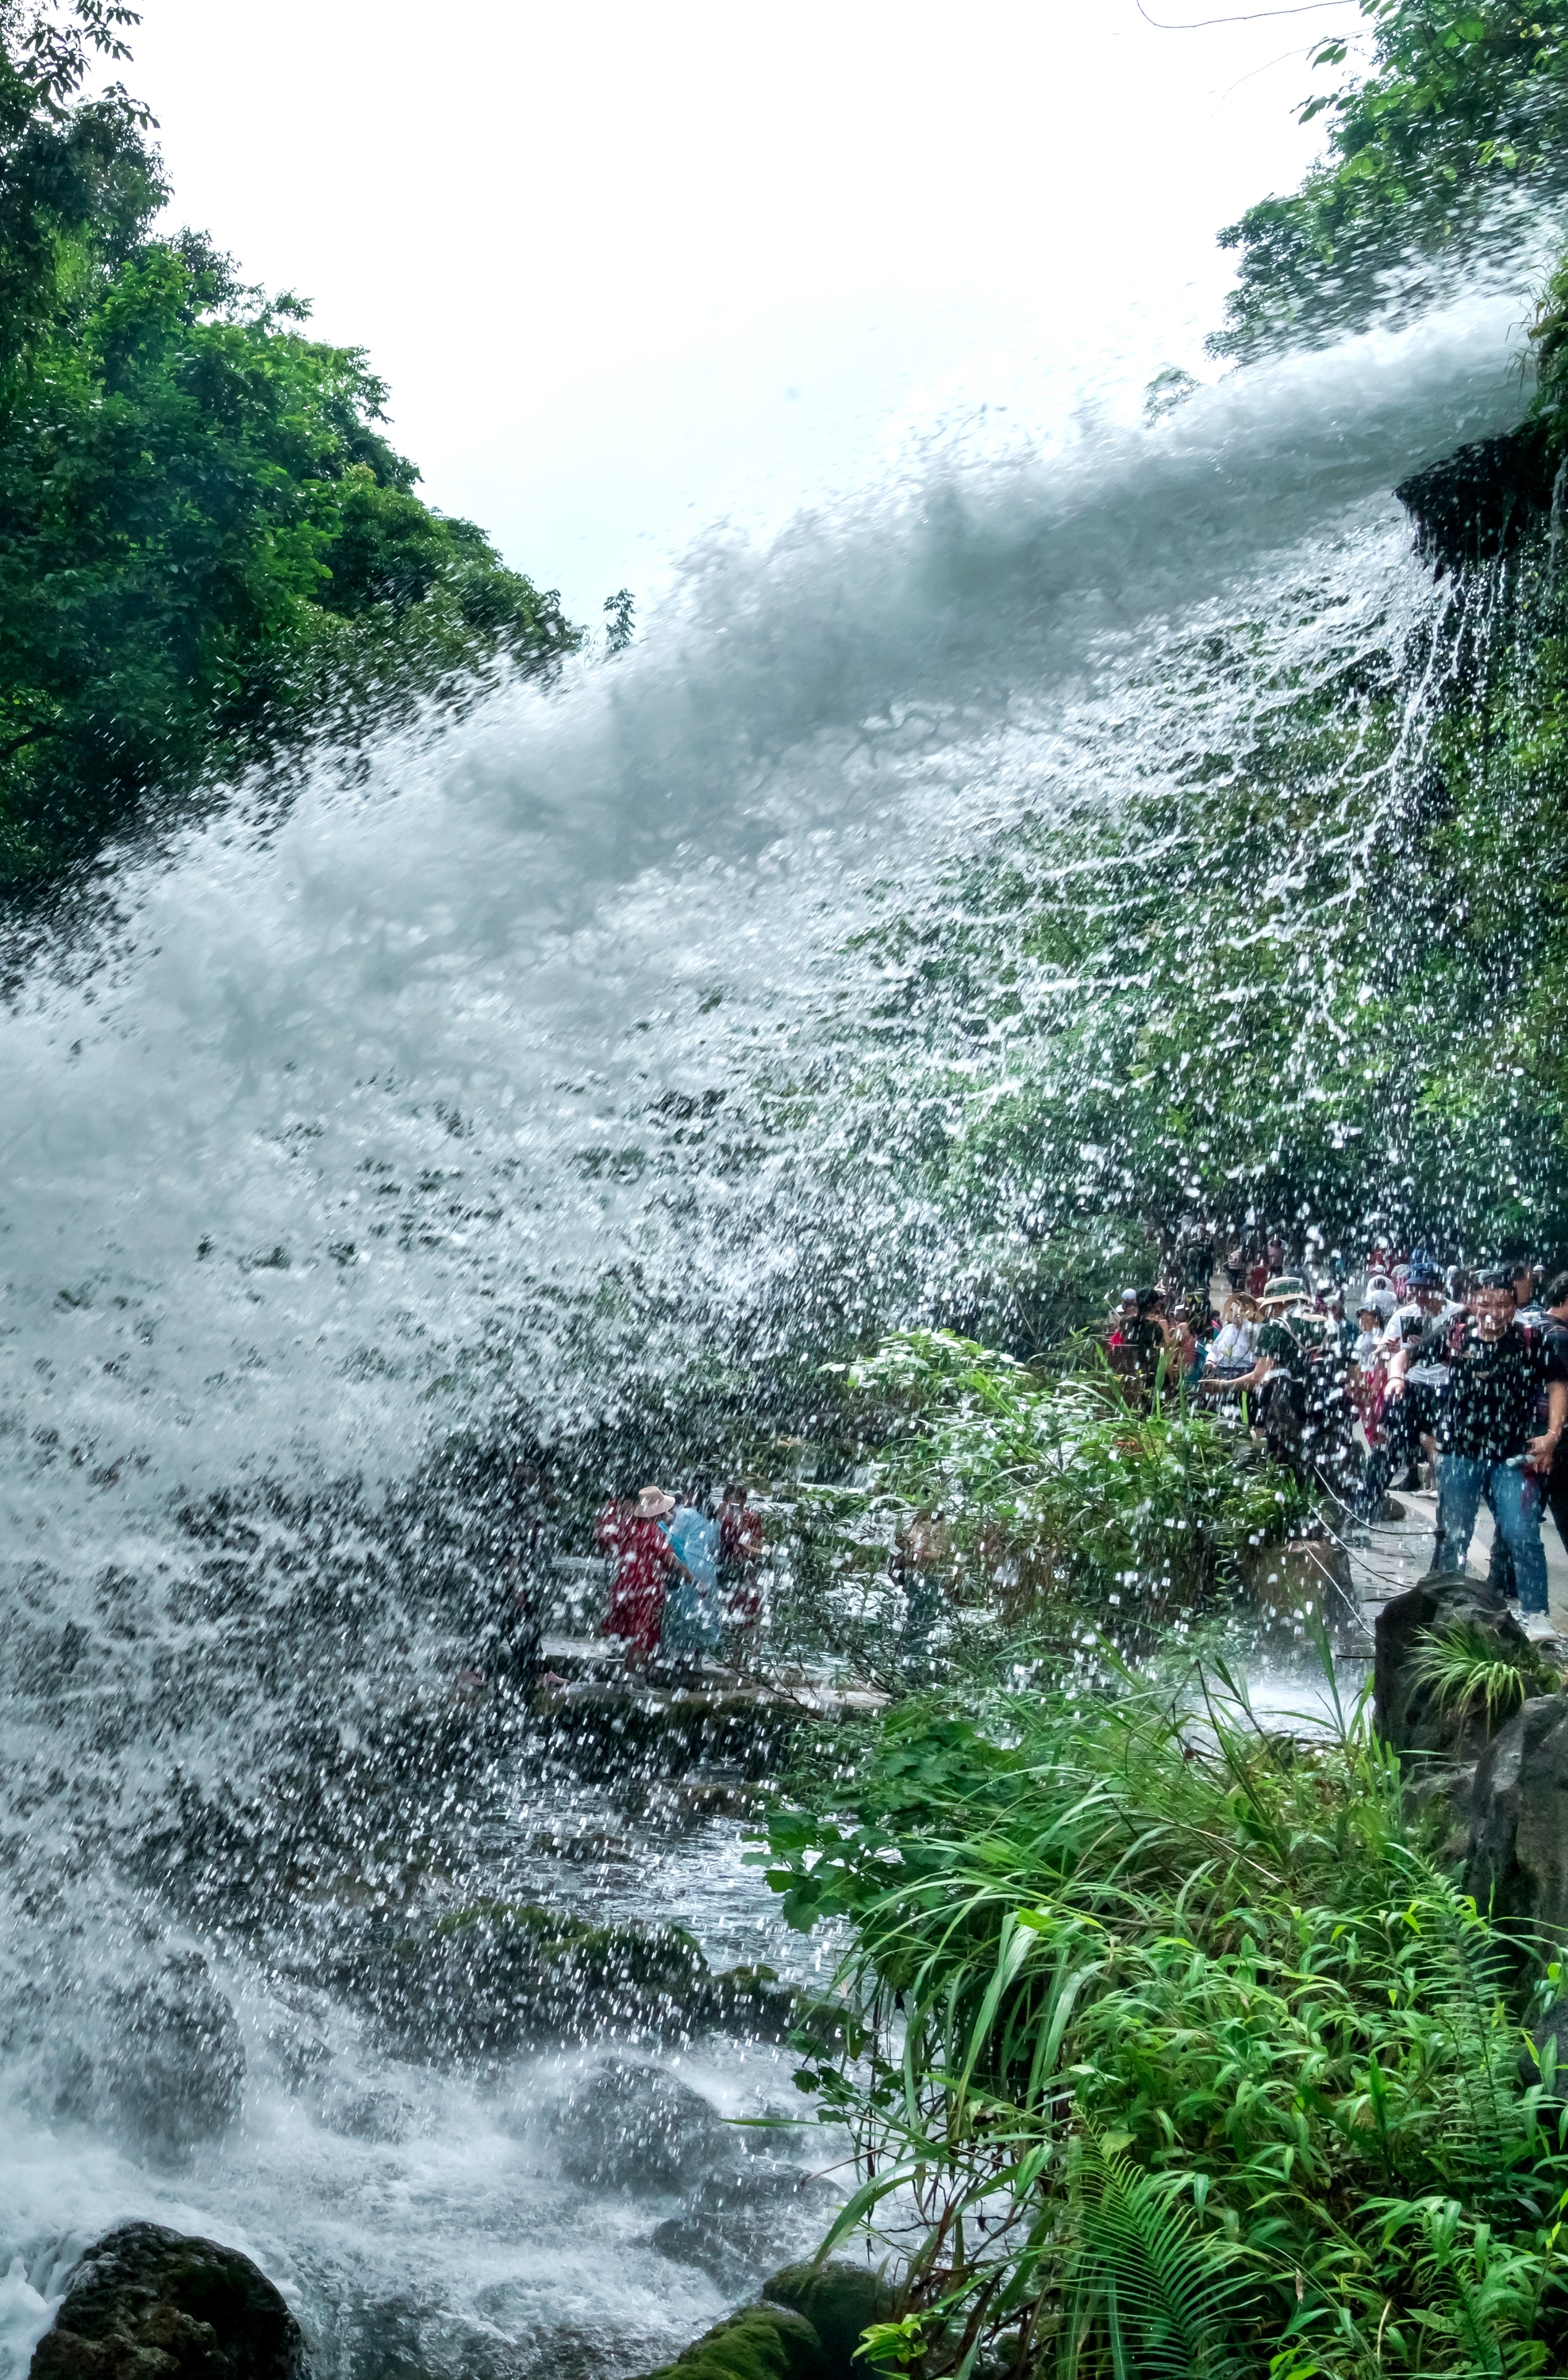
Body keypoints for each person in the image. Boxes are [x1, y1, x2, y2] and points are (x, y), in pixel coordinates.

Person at [1434, 1269, 1568, 1618]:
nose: (1494, 1311)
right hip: (1459, 1454)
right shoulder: (1457, 1335)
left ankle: (1536, 1618)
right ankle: (1446, 1613)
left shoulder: (1530, 1340)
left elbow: (1558, 1384)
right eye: (1486, 1302)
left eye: (1503, 1303)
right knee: (1454, 1537)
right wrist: (1396, 1379)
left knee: (1523, 1535)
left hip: (1513, 1456)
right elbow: (1408, 1354)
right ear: (1472, 1303)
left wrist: (1553, 1435)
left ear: (1514, 1305)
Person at [596, 1484, 688, 1668]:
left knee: (629, 1633)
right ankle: (634, 1680)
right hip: (647, 1591)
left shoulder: (621, 1521)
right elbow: (669, 1557)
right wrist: (693, 1579)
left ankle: (625, 1676)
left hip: (624, 1585)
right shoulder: (650, 1529)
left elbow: (603, 1540)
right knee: (643, 1637)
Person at [663, 1489, 723, 1661]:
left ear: (691, 1494)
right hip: (708, 1567)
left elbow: (673, 1540)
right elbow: (715, 1547)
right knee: (703, 1611)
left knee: (680, 1609)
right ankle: (697, 1659)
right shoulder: (715, 1521)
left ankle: (675, 1656)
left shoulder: (685, 1514)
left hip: (689, 1562)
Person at [717, 1480, 767, 1643]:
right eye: (731, 1499)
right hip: (725, 1568)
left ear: (744, 1501)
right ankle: (726, 1650)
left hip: (746, 1570)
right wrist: (719, 1517)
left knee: (748, 1611)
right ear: (725, 1501)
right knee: (726, 1611)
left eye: (739, 1499)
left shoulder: (751, 1519)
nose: (735, 1503)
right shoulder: (720, 1517)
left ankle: (741, 1655)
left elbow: (759, 1547)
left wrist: (742, 1527)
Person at [1204, 1294, 1259, 1382]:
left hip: (1244, 1373)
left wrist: (1242, 1319)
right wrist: (1211, 1361)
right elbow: (1214, 1350)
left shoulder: (1256, 1328)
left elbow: (1251, 1338)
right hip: (1221, 1371)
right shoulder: (1227, 1329)